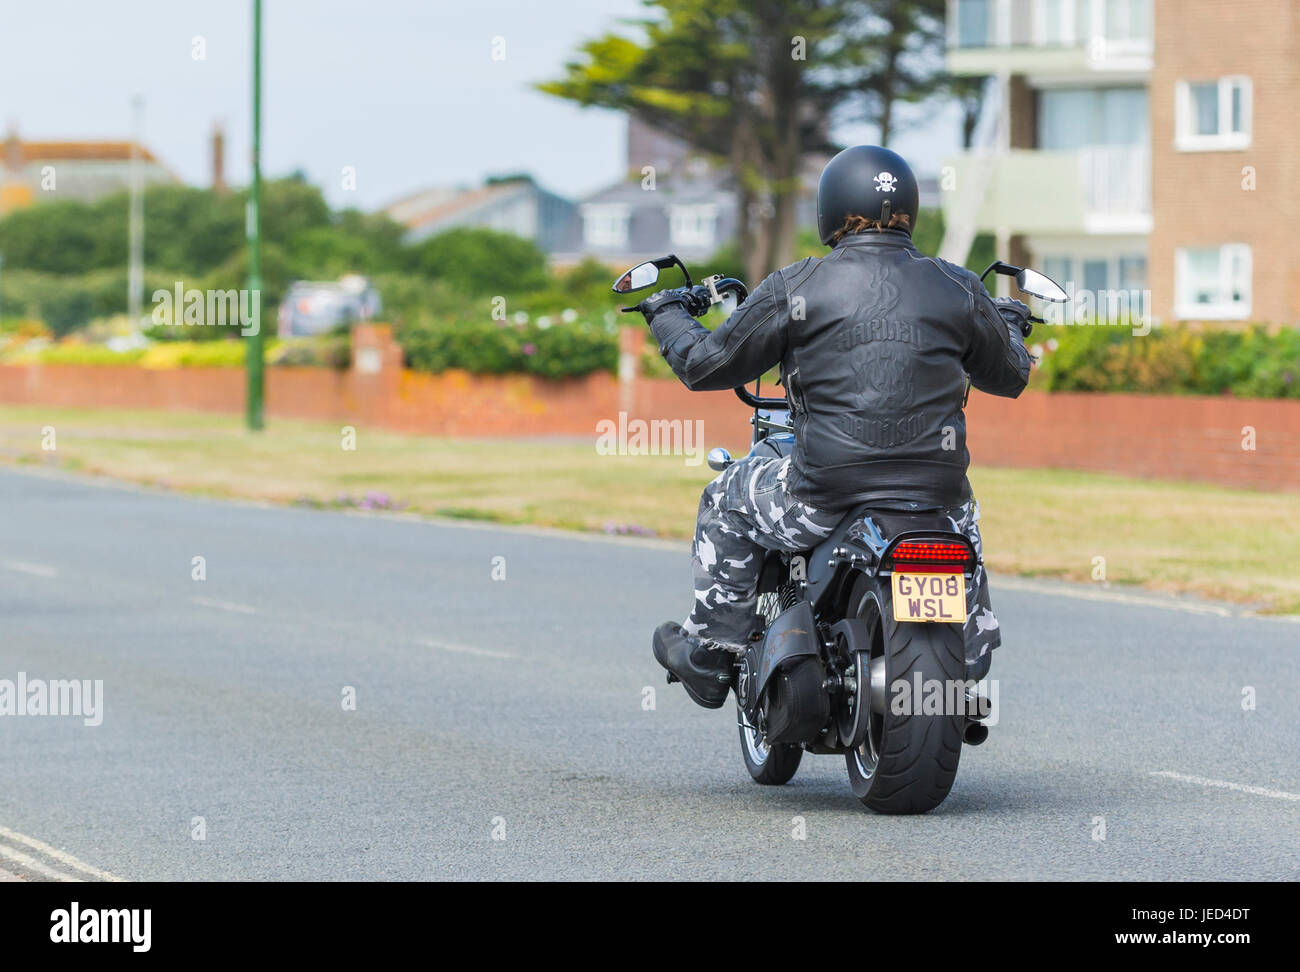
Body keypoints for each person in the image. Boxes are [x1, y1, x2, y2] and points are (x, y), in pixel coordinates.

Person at [638, 145, 1033, 710]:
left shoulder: (799, 285)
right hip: (936, 498)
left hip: (821, 496)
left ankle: (710, 653)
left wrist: (668, 313)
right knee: (962, 524)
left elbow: (706, 366)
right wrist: (1008, 322)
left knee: (725, 495)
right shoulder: (959, 286)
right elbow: (1011, 375)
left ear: (831, 210)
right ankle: (966, 658)